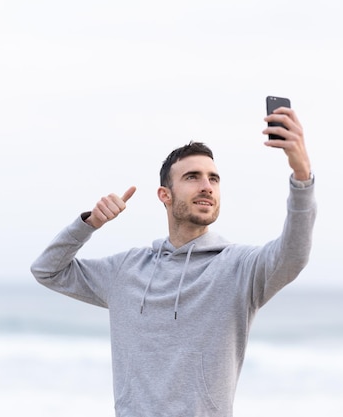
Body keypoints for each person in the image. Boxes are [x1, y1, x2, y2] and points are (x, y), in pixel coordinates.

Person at [30, 106, 316, 417]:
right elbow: (48, 270)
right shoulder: (126, 270)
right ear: (165, 195)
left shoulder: (240, 267)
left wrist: (301, 176)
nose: (206, 185)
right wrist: (88, 224)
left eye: (214, 179)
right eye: (193, 177)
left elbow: (293, 255)